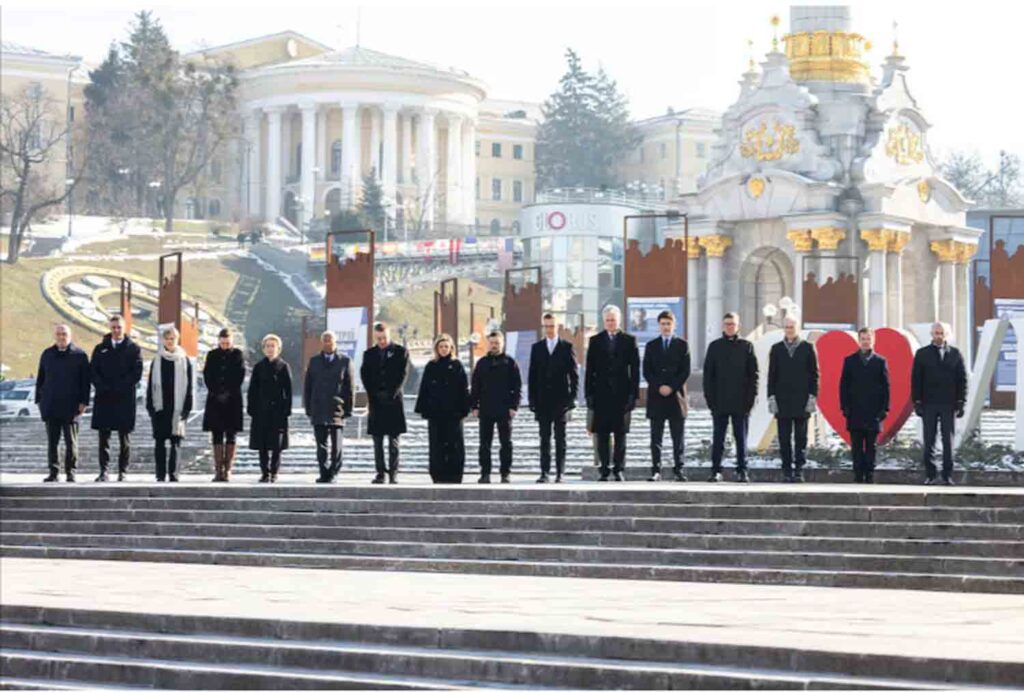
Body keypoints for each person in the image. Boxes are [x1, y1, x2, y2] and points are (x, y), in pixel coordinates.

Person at [586, 305, 640, 481]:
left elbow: (635, 370)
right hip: (601, 394)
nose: (611, 323)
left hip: (622, 395)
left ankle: (618, 469)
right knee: (602, 434)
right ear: (604, 321)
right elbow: (590, 370)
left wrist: (634, 395)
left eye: (613, 320)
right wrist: (589, 395)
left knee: (620, 434)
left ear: (619, 321)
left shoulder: (629, 340)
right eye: (608, 320)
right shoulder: (595, 341)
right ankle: (604, 468)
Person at [703, 312, 758, 483]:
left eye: (732, 324)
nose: (729, 327)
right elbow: (708, 376)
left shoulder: (747, 346)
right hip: (719, 401)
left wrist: (750, 400)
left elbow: (753, 376)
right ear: (722, 326)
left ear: (738, 326)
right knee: (718, 438)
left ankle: (742, 470)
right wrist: (710, 400)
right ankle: (716, 471)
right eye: (727, 324)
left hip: (741, 402)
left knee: (741, 438)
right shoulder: (714, 347)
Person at [912, 321, 968, 485]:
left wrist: (961, 402)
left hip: (948, 404)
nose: (939, 336)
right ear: (932, 334)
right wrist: (917, 401)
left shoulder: (955, 354)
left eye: (941, 333)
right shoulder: (922, 354)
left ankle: (947, 475)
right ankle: (930, 474)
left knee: (947, 440)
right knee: (929, 439)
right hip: (928, 403)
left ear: (946, 335)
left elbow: (962, 380)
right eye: (936, 333)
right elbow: (916, 379)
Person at [90, 314, 143, 481]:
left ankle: (123, 472)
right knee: (103, 438)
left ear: (124, 328)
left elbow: (137, 373)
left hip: (124, 399)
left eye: (119, 327)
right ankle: (103, 472)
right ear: (109, 328)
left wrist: (120, 387)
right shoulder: (100, 349)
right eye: (113, 327)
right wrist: (103, 387)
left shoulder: (134, 349)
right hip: (104, 398)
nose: (116, 330)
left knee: (124, 438)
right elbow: (93, 371)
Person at [35, 324, 91, 482]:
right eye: (58, 334)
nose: (61, 337)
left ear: (70, 335)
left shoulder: (79, 355)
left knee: (70, 442)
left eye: (64, 334)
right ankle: (53, 472)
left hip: (71, 407)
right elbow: (41, 379)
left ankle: (70, 472)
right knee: (52, 442)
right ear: (55, 336)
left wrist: (84, 402)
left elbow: (85, 382)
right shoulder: (47, 354)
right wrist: (39, 401)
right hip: (51, 405)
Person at [528, 313, 579, 483]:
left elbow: (574, 375)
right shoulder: (537, 348)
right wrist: (532, 400)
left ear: (558, 327)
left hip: (561, 402)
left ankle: (560, 473)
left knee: (560, 438)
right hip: (542, 401)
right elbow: (532, 376)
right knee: (544, 438)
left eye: (552, 325)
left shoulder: (566, 347)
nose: (549, 329)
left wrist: (571, 399)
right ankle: (544, 472)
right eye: (546, 326)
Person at [767, 316, 819, 482]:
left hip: (801, 401)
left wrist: (812, 397)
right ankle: (786, 470)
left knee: (800, 438)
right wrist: (771, 397)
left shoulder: (807, 348)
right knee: (784, 438)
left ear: (798, 328)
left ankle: (799, 470)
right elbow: (772, 375)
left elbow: (814, 375)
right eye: (787, 327)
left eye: (792, 327)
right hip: (782, 401)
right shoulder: (776, 349)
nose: (789, 330)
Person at [415, 333, 470, 483]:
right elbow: (424, 388)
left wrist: (465, 409)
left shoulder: (457, 365)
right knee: (436, 445)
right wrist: (423, 409)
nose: (444, 349)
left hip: (454, 413)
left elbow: (463, 389)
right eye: (441, 346)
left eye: (446, 346)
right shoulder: (431, 366)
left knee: (455, 445)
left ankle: (455, 474)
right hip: (436, 413)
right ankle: (438, 475)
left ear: (451, 348)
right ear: (436, 348)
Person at [642, 310, 690, 482]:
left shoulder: (682, 345)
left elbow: (685, 371)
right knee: (656, 437)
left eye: (668, 323)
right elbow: (647, 371)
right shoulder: (651, 346)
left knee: (678, 438)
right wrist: (659, 386)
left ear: (673, 325)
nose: (666, 327)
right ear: (659, 325)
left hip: (676, 398)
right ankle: (656, 470)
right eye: (663, 324)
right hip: (657, 397)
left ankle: (679, 469)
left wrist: (671, 387)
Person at [360, 322, 410, 484]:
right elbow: (365, 375)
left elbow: (402, 375)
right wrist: (372, 394)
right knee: (377, 440)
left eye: (384, 338)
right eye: (379, 338)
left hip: (393, 401)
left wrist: (391, 393)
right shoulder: (369, 354)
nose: (381, 341)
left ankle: (393, 472)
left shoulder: (400, 352)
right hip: (376, 401)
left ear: (389, 336)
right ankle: (380, 472)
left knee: (394, 441)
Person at [470, 330, 522, 483]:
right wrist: (474, 406)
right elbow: (475, 386)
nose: (494, 346)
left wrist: (514, 406)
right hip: (486, 408)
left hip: (504, 409)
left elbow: (517, 387)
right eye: (492, 343)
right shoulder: (482, 363)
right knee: (484, 443)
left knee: (506, 443)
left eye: (497, 343)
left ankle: (505, 473)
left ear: (502, 344)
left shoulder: (510, 363)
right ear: (488, 343)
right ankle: (485, 473)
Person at [840, 327, 890, 483]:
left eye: (868, 338)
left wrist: (884, 409)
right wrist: (845, 407)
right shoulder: (850, 361)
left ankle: (869, 475)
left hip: (874, 412)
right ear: (859, 340)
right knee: (856, 446)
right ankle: (858, 475)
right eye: (863, 339)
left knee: (871, 446)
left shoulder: (880, 361)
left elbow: (886, 387)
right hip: (855, 411)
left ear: (873, 340)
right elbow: (843, 386)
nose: (866, 341)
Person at [303, 330, 353, 483]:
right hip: (318, 407)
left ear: (335, 342)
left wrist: (348, 409)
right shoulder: (314, 361)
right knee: (321, 444)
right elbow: (308, 386)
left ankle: (334, 471)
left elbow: (349, 387)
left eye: (330, 340)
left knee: (336, 445)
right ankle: (323, 472)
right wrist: (308, 407)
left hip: (336, 407)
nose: (327, 343)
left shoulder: (344, 361)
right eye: (325, 341)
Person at [145, 326, 194, 482]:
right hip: (160, 408)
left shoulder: (184, 360)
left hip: (177, 408)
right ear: (163, 340)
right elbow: (150, 385)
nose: (170, 341)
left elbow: (189, 387)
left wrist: (187, 408)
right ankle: (160, 474)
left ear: (177, 339)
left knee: (176, 442)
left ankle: (174, 474)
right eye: (167, 338)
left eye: (172, 338)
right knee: (159, 442)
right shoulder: (157, 359)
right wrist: (151, 407)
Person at [202, 328, 245, 482]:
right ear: (218, 341)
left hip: (232, 400)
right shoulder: (212, 355)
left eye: (228, 343)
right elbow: (207, 375)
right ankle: (218, 469)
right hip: (215, 399)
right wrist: (216, 391)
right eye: (222, 342)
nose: (225, 345)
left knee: (231, 434)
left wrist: (228, 392)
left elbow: (239, 375)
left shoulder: (238, 355)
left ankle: (227, 469)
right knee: (217, 434)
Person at [248, 334, 292, 483]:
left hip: (278, 412)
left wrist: (287, 409)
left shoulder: (283, 366)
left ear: (278, 349)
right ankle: (264, 472)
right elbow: (253, 389)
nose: (270, 349)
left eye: (273, 346)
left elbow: (288, 390)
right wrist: (251, 408)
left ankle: (274, 471)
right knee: (263, 443)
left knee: (276, 444)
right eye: (267, 346)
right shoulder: (259, 367)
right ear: (263, 348)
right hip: (261, 411)